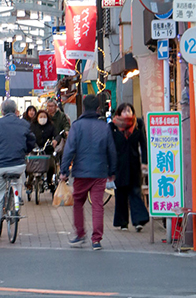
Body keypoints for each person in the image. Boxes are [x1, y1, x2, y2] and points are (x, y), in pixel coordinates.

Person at [60, 95, 116, 251]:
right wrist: (112, 170)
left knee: (78, 202)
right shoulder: (104, 126)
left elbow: (69, 149)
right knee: (98, 205)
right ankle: (96, 239)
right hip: (100, 172)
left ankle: (80, 234)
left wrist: (64, 170)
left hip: (81, 172)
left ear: (83, 107)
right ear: (98, 108)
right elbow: (111, 150)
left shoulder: (77, 126)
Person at [0, 99, 35, 235]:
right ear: (16, 111)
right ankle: (17, 199)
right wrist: (26, 150)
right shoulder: (24, 124)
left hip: (0, 165)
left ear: (2, 111)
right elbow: (31, 140)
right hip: (18, 164)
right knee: (17, 180)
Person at [110, 103, 149, 232]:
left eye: (130, 110)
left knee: (135, 192)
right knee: (120, 194)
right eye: (125, 111)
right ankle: (123, 223)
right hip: (119, 165)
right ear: (119, 113)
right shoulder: (113, 126)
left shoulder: (137, 125)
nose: (127, 113)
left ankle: (139, 220)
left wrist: (144, 161)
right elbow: (109, 147)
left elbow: (143, 144)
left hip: (133, 164)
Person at [29, 109, 56, 189]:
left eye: (44, 117)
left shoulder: (51, 126)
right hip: (35, 149)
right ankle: (29, 182)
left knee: (51, 165)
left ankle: (49, 181)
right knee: (30, 165)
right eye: (41, 117)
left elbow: (56, 134)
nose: (42, 118)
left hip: (47, 149)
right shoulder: (33, 126)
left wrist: (55, 140)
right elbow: (28, 135)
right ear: (37, 117)